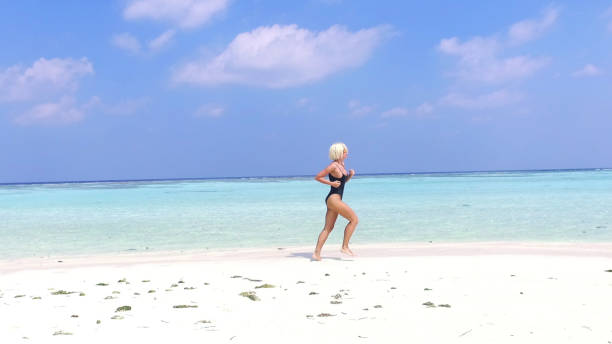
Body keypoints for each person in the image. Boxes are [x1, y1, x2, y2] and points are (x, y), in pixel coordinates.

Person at [312, 142, 358, 261]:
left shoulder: (341, 165)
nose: (346, 153)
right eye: (344, 152)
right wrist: (331, 183)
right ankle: (345, 246)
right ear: (338, 153)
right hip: (333, 198)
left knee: (328, 228)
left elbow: (341, 183)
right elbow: (317, 177)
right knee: (354, 219)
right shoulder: (333, 166)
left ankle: (316, 254)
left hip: (335, 199)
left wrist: (350, 176)